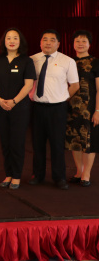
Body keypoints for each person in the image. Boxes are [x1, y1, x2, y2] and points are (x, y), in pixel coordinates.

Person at [30, 29, 79, 190]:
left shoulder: (67, 61)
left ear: (58, 43)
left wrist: (63, 98)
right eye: (45, 39)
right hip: (37, 107)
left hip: (58, 108)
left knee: (57, 144)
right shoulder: (32, 60)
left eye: (52, 40)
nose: (48, 43)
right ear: (40, 43)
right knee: (37, 144)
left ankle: (59, 177)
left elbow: (75, 85)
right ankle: (38, 175)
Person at [0, 28, 36, 190]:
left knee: (17, 142)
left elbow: (29, 85)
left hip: (20, 108)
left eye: (15, 38)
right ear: (4, 41)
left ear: (20, 41)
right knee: (5, 142)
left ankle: (16, 175)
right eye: (8, 38)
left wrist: (14, 101)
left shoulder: (26, 61)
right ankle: (8, 174)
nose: (12, 41)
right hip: (1, 106)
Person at [66, 30, 99, 187]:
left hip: (90, 108)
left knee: (89, 141)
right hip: (71, 108)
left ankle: (87, 173)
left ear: (89, 44)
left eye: (84, 41)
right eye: (77, 41)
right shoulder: (69, 62)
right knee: (75, 140)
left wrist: (98, 111)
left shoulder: (95, 62)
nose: (80, 44)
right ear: (73, 44)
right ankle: (79, 171)